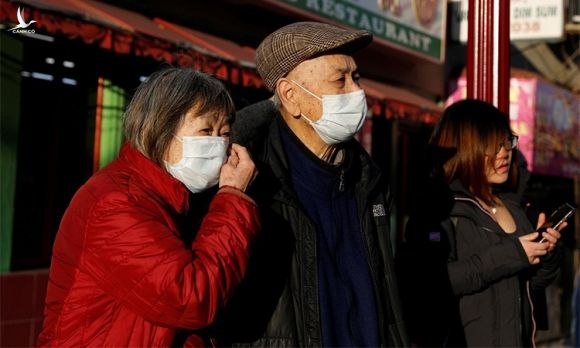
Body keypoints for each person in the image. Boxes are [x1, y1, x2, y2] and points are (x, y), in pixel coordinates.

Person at [210, 21, 408, 347]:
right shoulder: (248, 181)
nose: (357, 92)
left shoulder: (368, 179)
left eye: (356, 78)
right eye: (339, 80)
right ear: (290, 96)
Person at [37, 68, 260, 347]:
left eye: (224, 133)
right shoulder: (115, 203)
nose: (218, 144)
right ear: (160, 130)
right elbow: (190, 299)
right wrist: (233, 197)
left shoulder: (176, 198)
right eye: (206, 130)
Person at [399, 99, 565, 347]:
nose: (504, 153)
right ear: (465, 148)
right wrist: (512, 255)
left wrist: (547, 254)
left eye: (506, 142)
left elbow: (528, 286)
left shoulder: (512, 206)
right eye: (492, 146)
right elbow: (432, 284)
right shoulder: (440, 211)